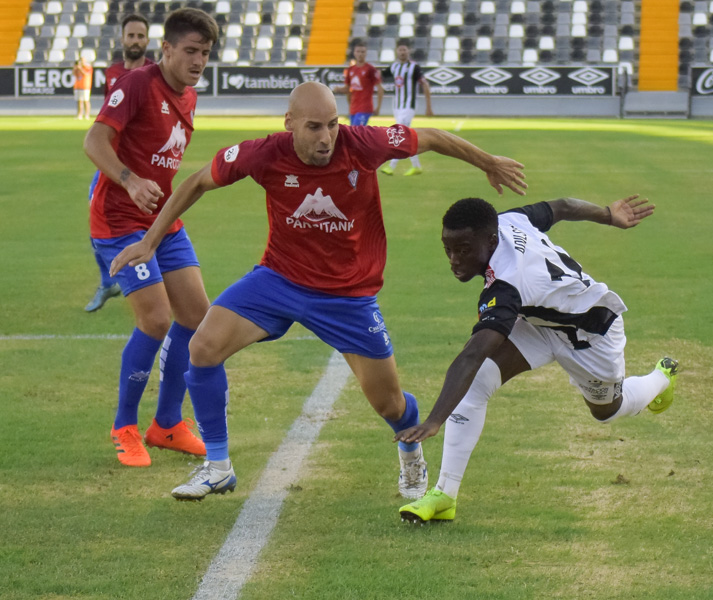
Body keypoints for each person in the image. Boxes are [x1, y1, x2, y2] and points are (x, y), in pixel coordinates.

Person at [109, 81, 527, 501]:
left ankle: (410, 446)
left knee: (391, 405)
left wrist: (488, 161)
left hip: (348, 296)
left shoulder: (363, 143)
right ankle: (218, 465)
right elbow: (198, 181)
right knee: (203, 347)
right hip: (278, 279)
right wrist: (150, 241)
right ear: (289, 123)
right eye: (313, 127)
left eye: (332, 124)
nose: (326, 137)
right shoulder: (264, 153)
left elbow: (432, 138)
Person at [394, 195, 679, 523]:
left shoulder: (507, 284)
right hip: (541, 322)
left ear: (489, 239)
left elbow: (472, 354)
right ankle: (444, 495)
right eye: (448, 249)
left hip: (591, 333)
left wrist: (434, 421)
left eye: (463, 250)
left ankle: (661, 377)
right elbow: (562, 207)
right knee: (477, 383)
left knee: (607, 411)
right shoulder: (509, 220)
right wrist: (606, 215)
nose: (454, 260)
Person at [84, 7, 219, 467]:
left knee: (197, 315)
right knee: (157, 319)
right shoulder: (138, 84)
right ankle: (124, 426)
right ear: (166, 49)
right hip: (119, 220)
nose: (199, 60)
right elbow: (94, 141)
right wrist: (129, 179)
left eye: (205, 53)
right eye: (190, 51)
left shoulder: (190, 95)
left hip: (161, 222)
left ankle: (165, 424)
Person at [84, 13, 156, 313]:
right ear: (122, 39)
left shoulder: (154, 74)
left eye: (141, 36)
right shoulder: (112, 73)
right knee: (95, 223)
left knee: (143, 221)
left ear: (148, 41)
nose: (136, 41)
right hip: (113, 164)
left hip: (143, 165)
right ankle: (107, 281)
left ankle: (150, 281)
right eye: (131, 36)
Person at [379, 43, 433, 177]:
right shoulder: (394, 66)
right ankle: (416, 166)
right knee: (405, 135)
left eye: (405, 49)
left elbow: (425, 84)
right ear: (397, 51)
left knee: (399, 133)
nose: (402, 52)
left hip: (409, 105)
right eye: (400, 49)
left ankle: (391, 167)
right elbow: (379, 75)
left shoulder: (414, 67)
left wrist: (428, 106)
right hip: (396, 106)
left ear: (409, 51)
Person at [335, 39, 384, 127]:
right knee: (355, 135)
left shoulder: (370, 69)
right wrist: (338, 90)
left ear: (366, 53)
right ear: (354, 53)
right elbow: (347, 89)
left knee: (356, 133)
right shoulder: (350, 70)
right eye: (358, 51)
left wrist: (378, 107)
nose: (360, 54)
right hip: (353, 109)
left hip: (365, 108)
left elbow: (380, 88)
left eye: (362, 52)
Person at [72, 55, 93, 120]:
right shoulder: (77, 68)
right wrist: (75, 68)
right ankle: (79, 114)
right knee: (79, 101)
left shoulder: (88, 67)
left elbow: (86, 74)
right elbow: (73, 74)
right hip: (78, 86)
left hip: (85, 86)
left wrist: (80, 68)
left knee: (86, 101)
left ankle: (87, 114)